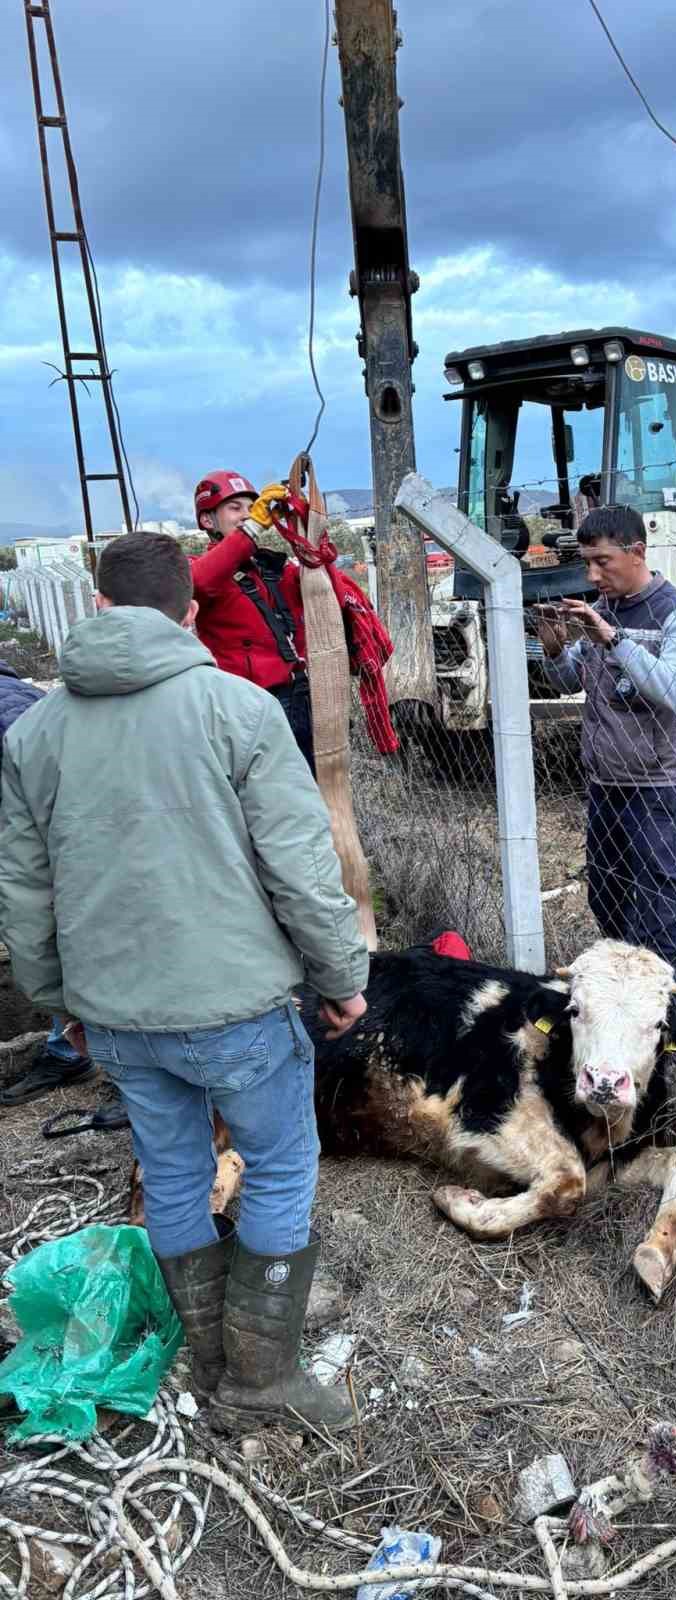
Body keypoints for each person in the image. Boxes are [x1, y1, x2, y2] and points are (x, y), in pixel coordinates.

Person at [0, 534, 370, 1435]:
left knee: (172, 1173)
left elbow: (24, 888)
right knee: (280, 1167)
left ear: (96, 607)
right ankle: (260, 1378)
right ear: (191, 611)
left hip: (116, 1014)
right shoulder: (237, 710)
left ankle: (207, 1362)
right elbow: (300, 866)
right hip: (236, 1006)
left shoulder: (35, 731)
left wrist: (60, 1005)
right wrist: (340, 977)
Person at [537, 504, 676, 1051]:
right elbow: (565, 681)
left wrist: (613, 639)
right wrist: (556, 645)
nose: (592, 576)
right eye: (586, 563)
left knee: (661, 916)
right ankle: (622, 1022)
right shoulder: (601, 608)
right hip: (605, 788)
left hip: (657, 792)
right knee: (610, 906)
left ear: (637, 552)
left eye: (602, 561)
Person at [0, 656, 127, 1125]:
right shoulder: (24, 702)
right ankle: (71, 1050)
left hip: (75, 850)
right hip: (61, 844)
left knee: (80, 943)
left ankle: (125, 1073)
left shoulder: (14, 717)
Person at [190, 472, 317, 772]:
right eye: (235, 508)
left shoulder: (271, 568)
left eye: (252, 507)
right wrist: (251, 529)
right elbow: (199, 582)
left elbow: (317, 584)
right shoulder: (200, 569)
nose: (247, 514)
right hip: (245, 705)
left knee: (305, 786)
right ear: (208, 521)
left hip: (296, 696)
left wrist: (303, 524)